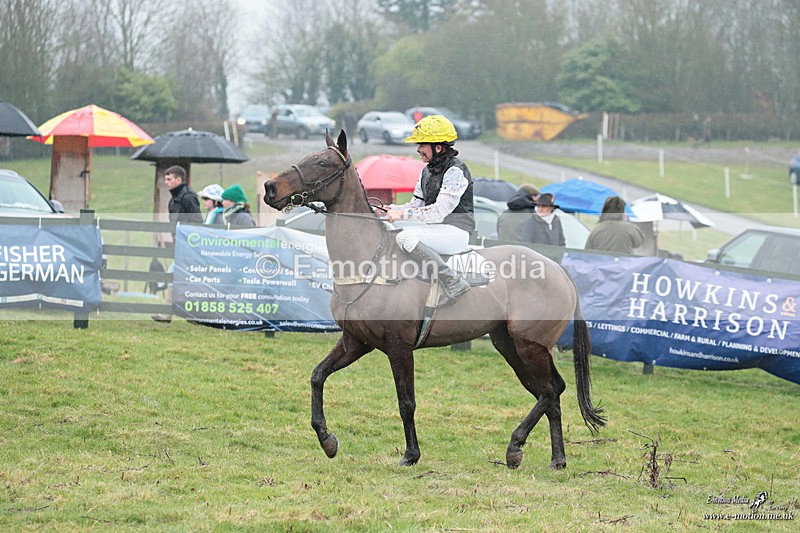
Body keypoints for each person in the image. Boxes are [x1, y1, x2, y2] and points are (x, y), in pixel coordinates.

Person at [384, 114, 473, 305]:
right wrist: (389, 210)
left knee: (404, 237)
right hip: (436, 229)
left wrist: (401, 214)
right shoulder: (426, 170)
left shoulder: (455, 171)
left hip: (455, 232)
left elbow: (438, 212)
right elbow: (415, 206)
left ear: (438, 147)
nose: (418, 150)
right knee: (390, 227)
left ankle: (452, 281)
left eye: (422, 145)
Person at [152, 165, 202, 323]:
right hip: (180, 245)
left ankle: (177, 314)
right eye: (165, 178)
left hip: (189, 247)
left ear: (179, 179)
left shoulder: (188, 197)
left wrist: (188, 240)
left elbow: (197, 221)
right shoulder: (174, 199)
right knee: (180, 277)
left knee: (182, 277)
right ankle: (188, 314)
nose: (166, 182)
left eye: (169, 179)